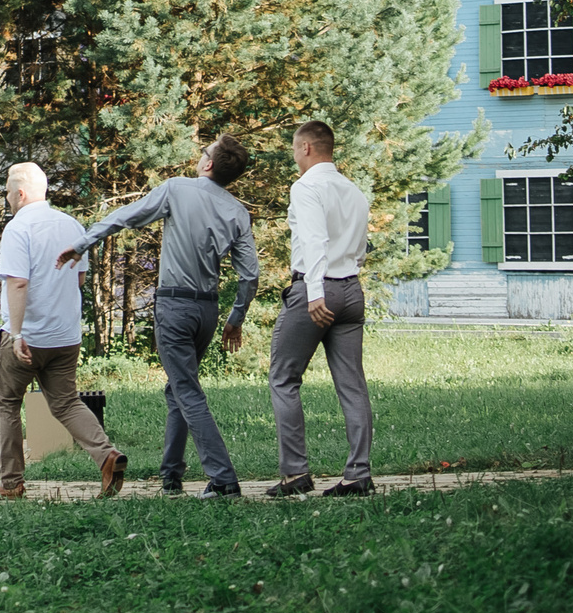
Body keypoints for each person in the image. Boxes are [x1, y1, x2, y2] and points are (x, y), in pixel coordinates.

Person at [61, 134, 259, 498]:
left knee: (187, 391)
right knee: (178, 390)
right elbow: (250, 275)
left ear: (208, 164)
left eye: (204, 151)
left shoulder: (177, 189)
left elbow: (124, 216)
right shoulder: (237, 211)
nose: (200, 155)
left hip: (175, 307)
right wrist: (236, 318)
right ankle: (171, 476)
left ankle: (223, 479)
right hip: (208, 311)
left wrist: (82, 243)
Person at [0, 162, 128, 501]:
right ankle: (107, 455)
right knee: (67, 402)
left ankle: (11, 484)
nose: (6, 198)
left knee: (6, 403)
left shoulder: (18, 228)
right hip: (65, 337)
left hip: (27, 339)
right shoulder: (71, 224)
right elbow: (79, 278)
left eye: (7, 192)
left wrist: (17, 335)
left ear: (20, 193)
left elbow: (17, 283)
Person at [266, 120, 375, 497]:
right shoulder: (354, 191)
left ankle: (295, 474)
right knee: (352, 383)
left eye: (294, 149)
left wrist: (314, 293)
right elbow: (360, 249)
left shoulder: (306, 186)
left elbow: (314, 241)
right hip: (352, 290)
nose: (294, 156)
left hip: (317, 290)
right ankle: (358, 473)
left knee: (284, 377)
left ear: (307, 148)